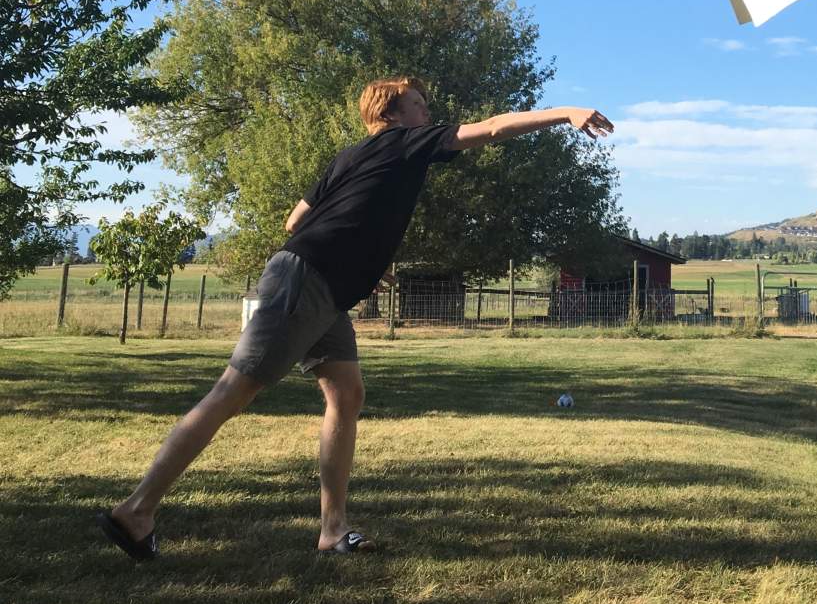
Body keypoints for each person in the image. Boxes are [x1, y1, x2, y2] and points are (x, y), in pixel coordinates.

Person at [97, 77, 612, 559]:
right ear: (391, 112)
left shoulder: (350, 157)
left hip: (323, 284)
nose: (428, 111)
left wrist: (366, 256)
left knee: (346, 396)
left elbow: (294, 219)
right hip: (308, 281)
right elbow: (494, 128)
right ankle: (136, 511)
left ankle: (332, 528)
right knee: (232, 392)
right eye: (419, 104)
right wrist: (566, 113)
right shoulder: (402, 142)